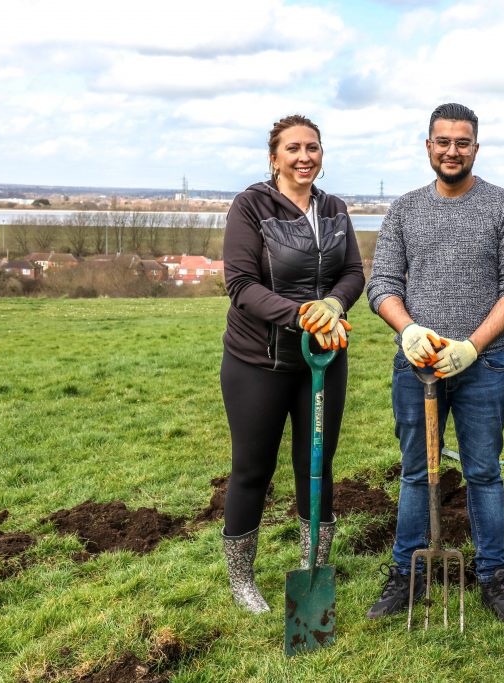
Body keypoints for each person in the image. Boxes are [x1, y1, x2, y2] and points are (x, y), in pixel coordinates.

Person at [365, 103, 504, 625]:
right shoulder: (404, 211)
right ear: (428, 147)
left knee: (484, 472)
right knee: (416, 472)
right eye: (443, 141)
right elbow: (383, 285)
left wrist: (473, 345)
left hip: (483, 368)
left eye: (462, 142)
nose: (452, 151)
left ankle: (492, 575)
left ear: (476, 148)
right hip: (416, 367)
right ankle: (406, 574)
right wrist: (408, 329)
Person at [219, 114, 365, 613]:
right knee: (252, 469)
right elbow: (241, 285)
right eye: (294, 148)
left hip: (323, 360)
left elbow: (352, 271)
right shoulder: (251, 206)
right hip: (257, 361)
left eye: (314, 148)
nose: (305, 157)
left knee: (317, 467)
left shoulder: (335, 208)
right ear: (274, 157)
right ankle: (242, 581)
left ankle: (312, 574)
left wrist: (335, 307)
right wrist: (303, 315)